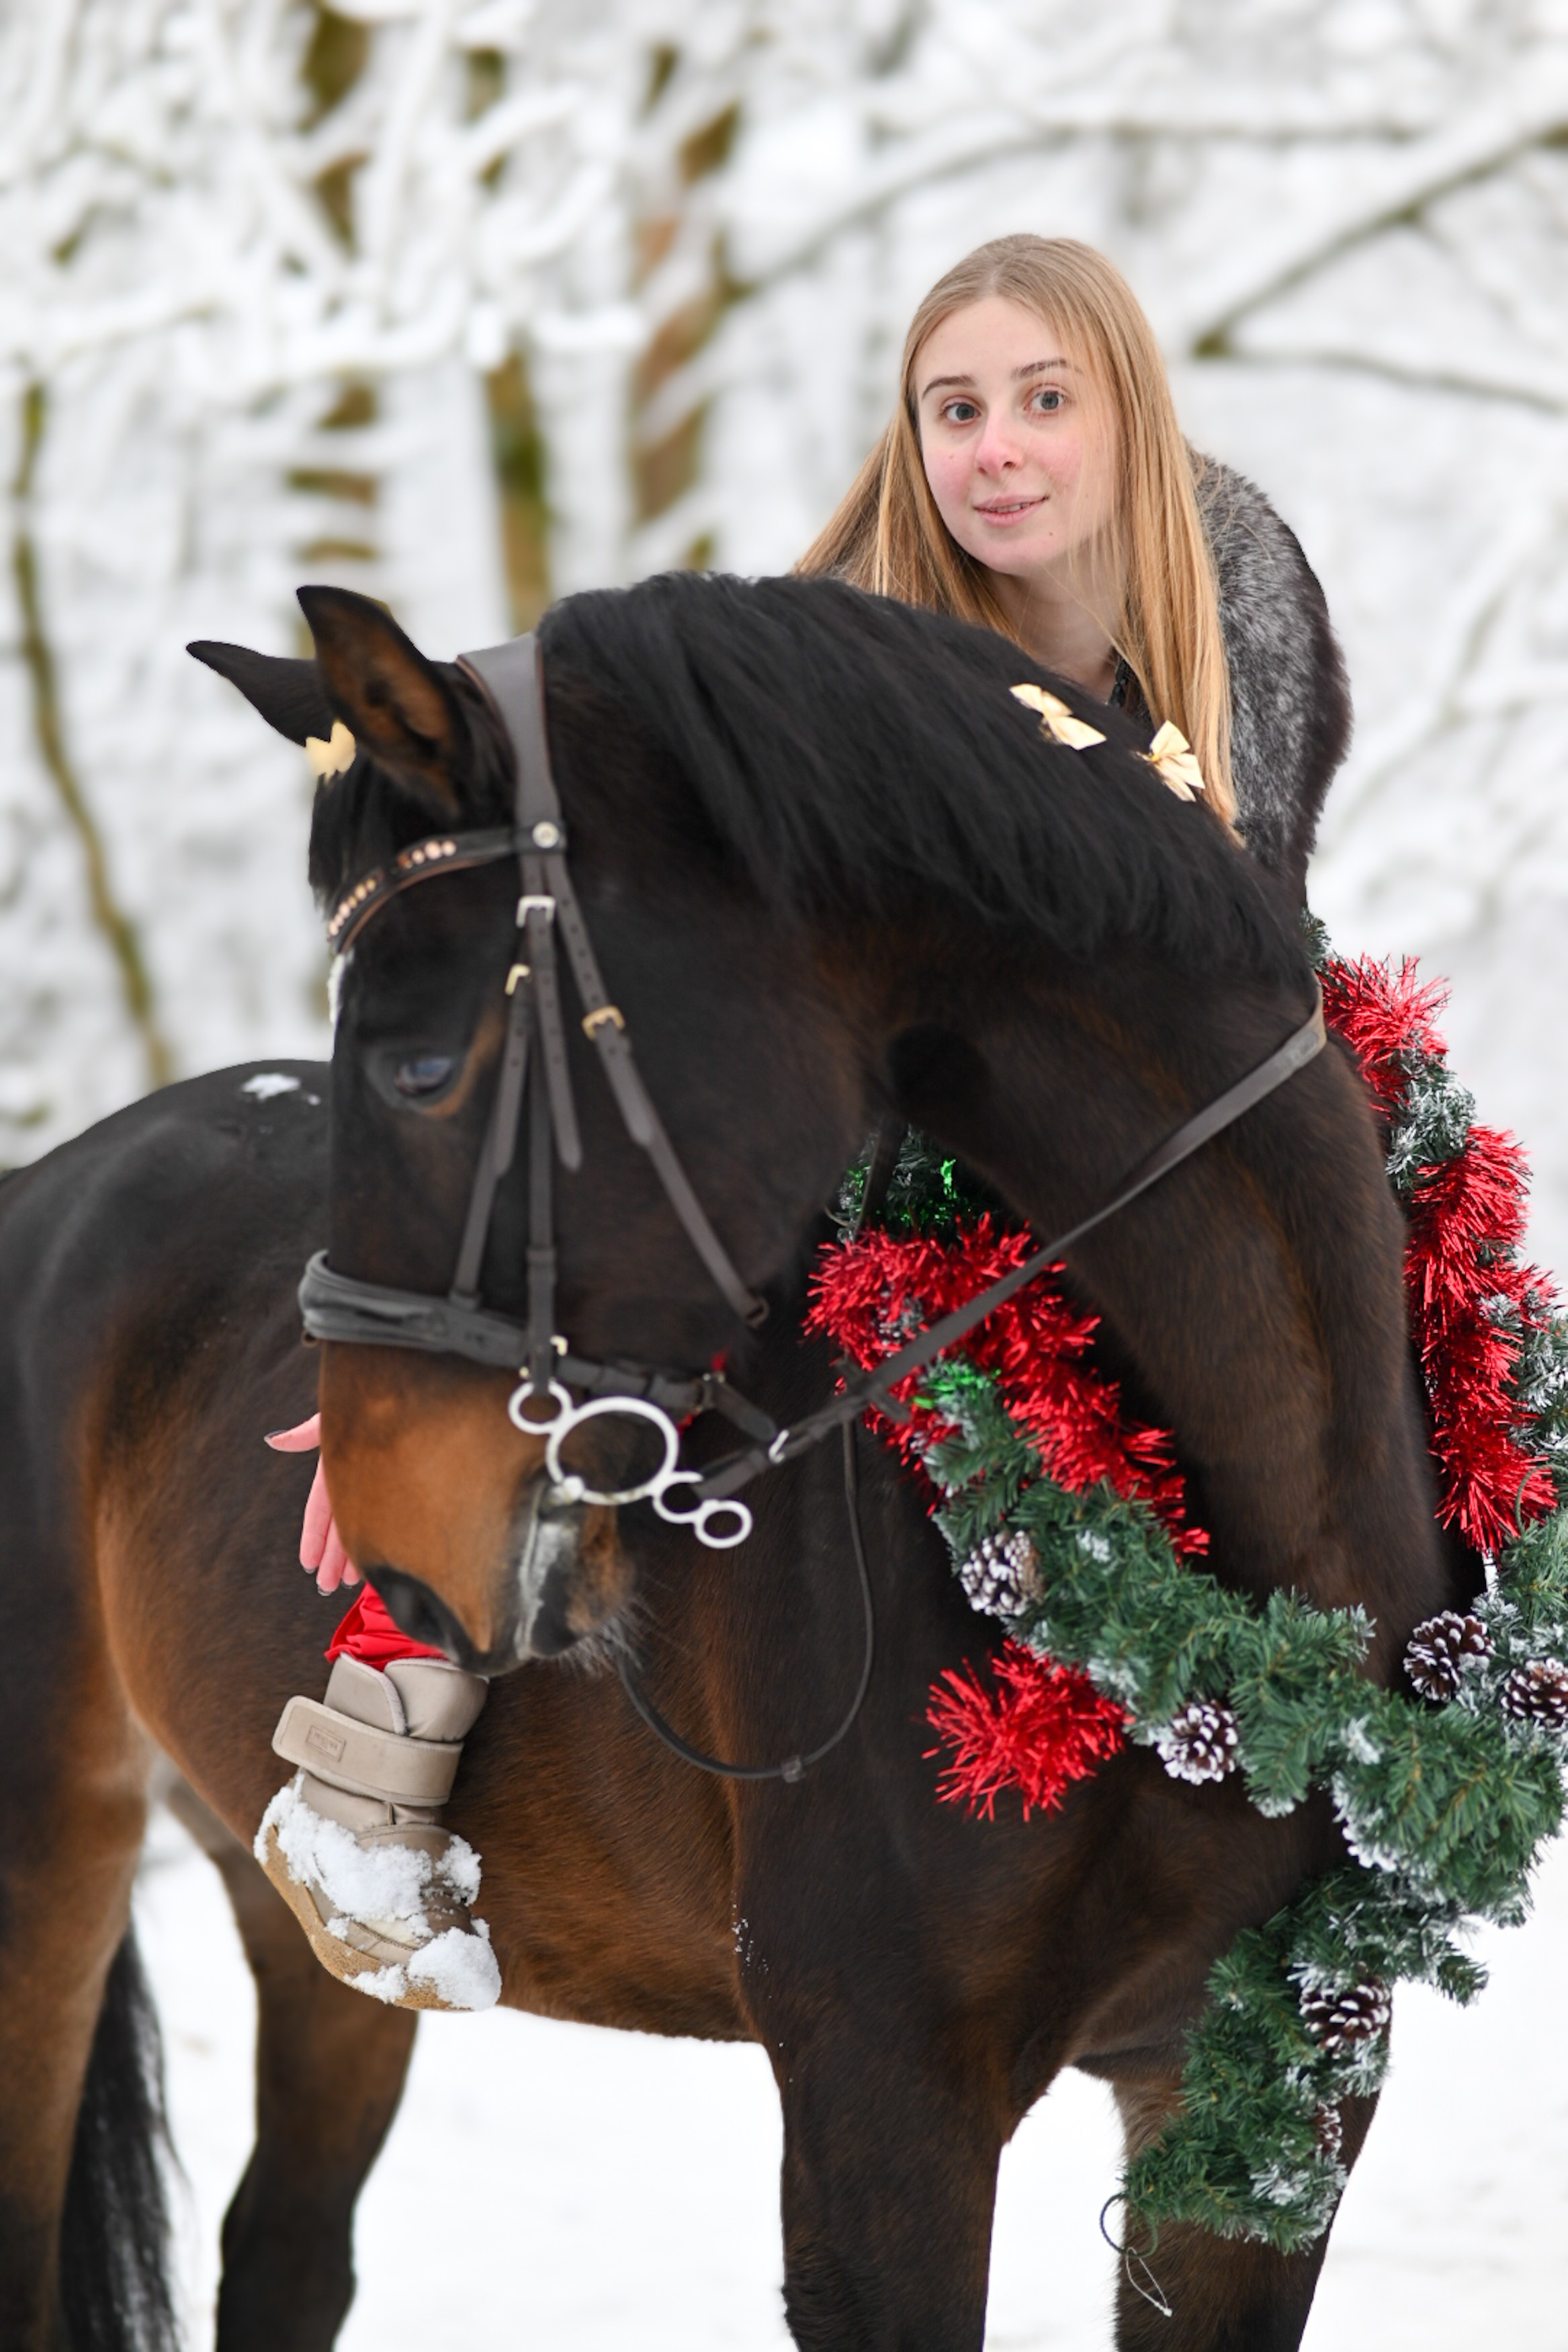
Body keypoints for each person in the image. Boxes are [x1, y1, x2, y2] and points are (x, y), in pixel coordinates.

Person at [261, 234, 1350, 2007]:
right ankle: (396, 1694)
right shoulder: (822, 653)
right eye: (954, 410)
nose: (998, 449)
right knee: (640, 1295)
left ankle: (1389, 1690)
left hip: (1142, 1152)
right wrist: (429, 1380)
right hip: (869, 1145)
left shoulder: (1240, 618)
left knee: (1368, 1298)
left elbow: (1239, 962)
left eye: (1044, 400)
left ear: (1130, 418)